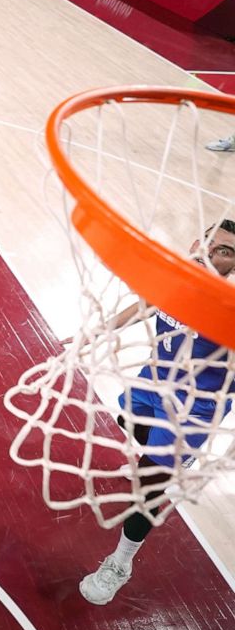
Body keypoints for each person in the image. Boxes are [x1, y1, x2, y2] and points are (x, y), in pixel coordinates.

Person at [79, 220, 235, 605]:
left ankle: (120, 562)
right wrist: (102, 330)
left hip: (193, 408)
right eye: (209, 241)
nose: (211, 251)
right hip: (155, 379)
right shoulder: (180, 275)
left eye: (225, 250)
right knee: (127, 419)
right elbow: (148, 304)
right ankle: (163, 462)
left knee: (149, 485)